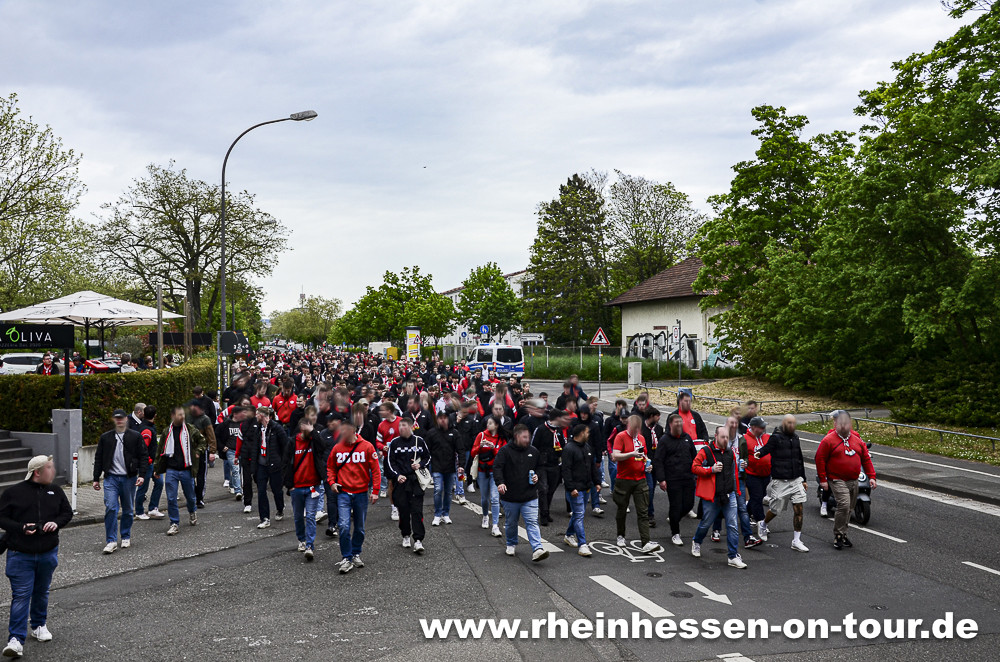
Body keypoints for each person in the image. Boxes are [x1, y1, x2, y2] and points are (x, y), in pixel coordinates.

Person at [0, 456, 73, 658]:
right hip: (20, 554)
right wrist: (21, 528)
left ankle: (39, 625)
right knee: (22, 596)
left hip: (47, 553)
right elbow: (2, 518)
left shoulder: (56, 491)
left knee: (41, 592)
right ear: (37, 472)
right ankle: (15, 640)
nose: (54, 470)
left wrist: (56, 523)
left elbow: (67, 513)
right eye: (49, 467)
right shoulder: (13, 493)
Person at [815, 410, 877, 550]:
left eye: (846, 424)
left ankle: (843, 533)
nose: (843, 426)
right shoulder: (828, 440)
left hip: (854, 479)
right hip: (837, 479)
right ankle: (838, 535)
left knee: (849, 509)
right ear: (835, 424)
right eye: (840, 424)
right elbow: (820, 459)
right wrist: (823, 479)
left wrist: (872, 476)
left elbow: (866, 459)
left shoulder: (857, 440)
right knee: (843, 505)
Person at [328, 424, 381, 574]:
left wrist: (375, 490)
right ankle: (346, 556)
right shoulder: (337, 448)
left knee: (359, 527)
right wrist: (332, 482)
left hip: (361, 493)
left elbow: (376, 470)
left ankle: (355, 552)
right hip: (343, 492)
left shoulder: (367, 447)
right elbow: (330, 467)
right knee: (344, 526)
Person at [691, 426, 747, 568]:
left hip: (729, 494)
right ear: (715, 436)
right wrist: (711, 469)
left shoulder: (730, 453)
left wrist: (736, 491)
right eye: (723, 437)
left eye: (727, 437)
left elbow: (734, 472)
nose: (725, 440)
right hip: (712, 496)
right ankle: (697, 541)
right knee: (706, 522)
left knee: (732, 525)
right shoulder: (706, 451)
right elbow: (694, 467)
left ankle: (733, 556)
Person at [92, 409, 147, 554]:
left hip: (129, 478)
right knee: (111, 507)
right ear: (113, 420)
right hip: (111, 478)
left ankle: (125, 535)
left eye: (122, 418)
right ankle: (111, 540)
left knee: (128, 509)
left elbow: (143, 456)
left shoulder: (135, 436)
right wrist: (95, 478)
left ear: (126, 419)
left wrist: (142, 475)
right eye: (116, 418)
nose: (119, 420)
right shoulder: (106, 437)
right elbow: (99, 458)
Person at [753, 414, 809, 552]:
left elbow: (799, 459)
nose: (791, 425)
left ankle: (796, 540)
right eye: (789, 423)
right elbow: (767, 448)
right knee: (775, 510)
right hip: (780, 480)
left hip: (796, 480)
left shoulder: (795, 438)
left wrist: (804, 479)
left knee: (799, 509)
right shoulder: (776, 437)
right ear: (784, 423)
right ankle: (764, 524)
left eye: (793, 423)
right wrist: (759, 453)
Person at [493, 424, 548, 561]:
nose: (527, 440)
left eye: (528, 437)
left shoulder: (533, 451)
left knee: (532, 522)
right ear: (517, 436)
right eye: (524, 437)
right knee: (511, 523)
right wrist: (500, 482)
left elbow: (540, 467)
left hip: (529, 495)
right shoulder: (505, 451)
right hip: (510, 496)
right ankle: (511, 543)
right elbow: (497, 467)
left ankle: (537, 548)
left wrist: (537, 476)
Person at [610, 415, 662, 553]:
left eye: (638, 429)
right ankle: (620, 535)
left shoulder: (641, 439)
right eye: (634, 428)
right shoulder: (621, 436)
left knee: (643, 511)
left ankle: (645, 543)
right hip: (624, 479)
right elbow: (615, 456)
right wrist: (631, 454)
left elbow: (644, 455)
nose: (636, 431)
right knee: (622, 509)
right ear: (629, 426)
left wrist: (647, 465)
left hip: (640, 478)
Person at [153, 406, 206, 536]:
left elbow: (203, 442)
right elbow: (160, 451)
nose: (182, 417)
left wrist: (198, 452)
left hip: (186, 469)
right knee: (171, 498)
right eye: (179, 415)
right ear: (173, 416)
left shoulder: (190, 430)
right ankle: (174, 523)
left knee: (190, 497)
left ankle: (192, 511)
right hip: (171, 470)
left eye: (183, 414)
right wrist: (157, 469)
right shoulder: (167, 432)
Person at [384, 417, 431, 554]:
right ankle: (405, 534)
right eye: (400, 426)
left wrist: (420, 465)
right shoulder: (394, 443)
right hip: (401, 482)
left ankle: (418, 540)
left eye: (404, 425)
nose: (401, 428)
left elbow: (428, 457)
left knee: (417, 510)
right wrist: (397, 475)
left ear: (411, 427)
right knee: (403, 511)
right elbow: (390, 462)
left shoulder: (419, 441)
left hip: (415, 481)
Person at [282, 419, 326, 560]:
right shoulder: (292, 442)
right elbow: (285, 463)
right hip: (297, 487)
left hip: (313, 485)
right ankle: (301, 539)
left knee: (311, 516)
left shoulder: (314, 440)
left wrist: (313, 431)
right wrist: (289, 485)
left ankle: (310, 545)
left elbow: (322, 447)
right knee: (298, 516)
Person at [241, 406, 288, 529]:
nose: (255, 416)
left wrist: (283, 463)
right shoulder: (258, 429)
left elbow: (286, 446)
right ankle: (264, 518)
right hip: (261, 464)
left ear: (262, 416)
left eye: (257, 414)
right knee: (261, 491)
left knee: (276, 489)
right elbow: (255, 449)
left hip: (274, 465)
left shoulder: (276, 428)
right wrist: (253, 468)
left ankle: (280, 508)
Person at [654, 413, 697, 546]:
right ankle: (675, 533)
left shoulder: (687, 438)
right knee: (676, 505)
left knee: (689, 504)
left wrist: (697, 472)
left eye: (680, 422)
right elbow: (658, 460)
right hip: (673, 479)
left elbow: (694, 456)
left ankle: (674, 518)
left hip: (688, 477)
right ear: (670, 424)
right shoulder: (664, 440)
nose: (679, 425)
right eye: (676, 422)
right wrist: (661, 479)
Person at [561, 423, 602, 556]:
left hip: (586, 487)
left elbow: (591, 467)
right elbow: (566, 470)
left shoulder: (587, 447)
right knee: (579, 515)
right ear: (581, 434)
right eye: (587, 432)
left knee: (580, 513)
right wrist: (571, 488)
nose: (588, 434)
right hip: (576, 489)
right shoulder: (569, 449)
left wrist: (597, 482)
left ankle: (568, 535)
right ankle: (582, 544)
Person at [531, 409, 570, 526]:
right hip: (542, 465)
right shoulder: (541, 429)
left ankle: (546, 511)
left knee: (551, 490)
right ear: (556, 418)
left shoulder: (558, 430)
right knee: (543, 489)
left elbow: (563, 445)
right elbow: (533, 446)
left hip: (555, 464)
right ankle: (543, 514)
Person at [471, 416, 506, 537]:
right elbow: (473, 452)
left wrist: (493, 448)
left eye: (490, 423)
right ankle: (485, 516)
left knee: (495, 498)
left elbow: (503, 455)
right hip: (482, 470)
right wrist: (480, 447)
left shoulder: (501, 438)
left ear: (496, 425)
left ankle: (495, 525)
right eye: (487, 423)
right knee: (484, 498)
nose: (488, 425)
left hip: (495, 472)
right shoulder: (481, 435)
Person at [426, 411, 459, 526]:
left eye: (445, 418)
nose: (443, 420)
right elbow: (427, 450)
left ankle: (446, 513)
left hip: (450, 467)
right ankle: (437, 514)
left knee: (448, 492)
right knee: (438, 490)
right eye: (440, 418)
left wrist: (461, 466)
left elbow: (460, 450)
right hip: (437, 466)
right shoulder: (432, 433)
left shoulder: (454, 433)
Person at [134, 405, 165, 520]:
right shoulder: (147, 430)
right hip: (148, 463)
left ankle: (153, 508)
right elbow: (144, 448)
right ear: (155, 415)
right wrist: (149, 461)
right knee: (143, 487)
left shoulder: (148, 427)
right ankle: (139, 511)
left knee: (159, 483)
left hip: (152, 463)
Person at [186, 400, 217, 509]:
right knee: (189, 475)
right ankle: (193, 495)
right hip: (188, 451)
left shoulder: (205, 419)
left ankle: (199, 498)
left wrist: (212, 451)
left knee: (201, 475)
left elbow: (211, 436)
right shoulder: (187, 418)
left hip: (202, 451)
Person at [215, 405, 249, 502]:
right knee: (235, 469)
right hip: (231, 450)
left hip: (243, 450)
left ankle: (233, 485)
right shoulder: (225, 425)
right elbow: (216, 436)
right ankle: (238, 491)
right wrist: (222, 447)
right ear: (235, 414)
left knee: (242, 470)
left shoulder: (244, 424)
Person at [741, 416, 771, 525]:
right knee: (757, 498)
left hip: (766, 474)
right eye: (761, 427)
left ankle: (746, 513)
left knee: (758, 497)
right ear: (753, 427)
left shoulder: (767, 437)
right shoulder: (744, 439)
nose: (763, 429)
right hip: (752, 474)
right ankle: (761, 522)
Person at [641, 407, 663, 528]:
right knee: (648, 489)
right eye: (657, 416)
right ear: (651, 416)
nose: (659, 418)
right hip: (645, 462)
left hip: (656, 463)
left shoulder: (659, 429)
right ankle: (650, 514)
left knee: (652, 489)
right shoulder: (642, 429)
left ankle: (647, 510)